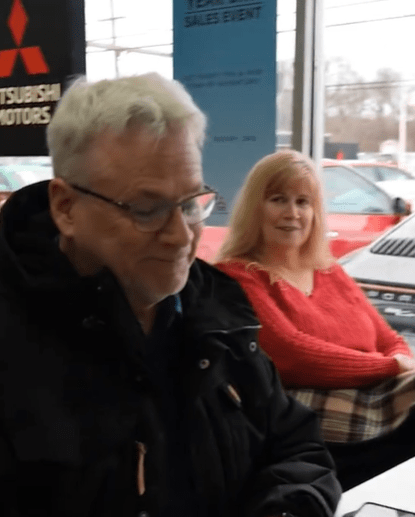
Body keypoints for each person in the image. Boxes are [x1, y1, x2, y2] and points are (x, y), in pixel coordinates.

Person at [0, 76, 341, 517]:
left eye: (189, 203)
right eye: (147, 209)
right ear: (66, 207)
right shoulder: (13, 341)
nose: (182, 237)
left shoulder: (220, 312)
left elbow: (296, 445)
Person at [215, 149, 415, 491]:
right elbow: (292, 354)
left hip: (370, 406)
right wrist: (390, 368)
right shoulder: (237, 276)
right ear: (254, 208)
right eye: (278, 199)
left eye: (303, 202)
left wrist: (401, 365)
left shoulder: (330, 271)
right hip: (304, 428)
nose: (292, 213)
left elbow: (389, 339)